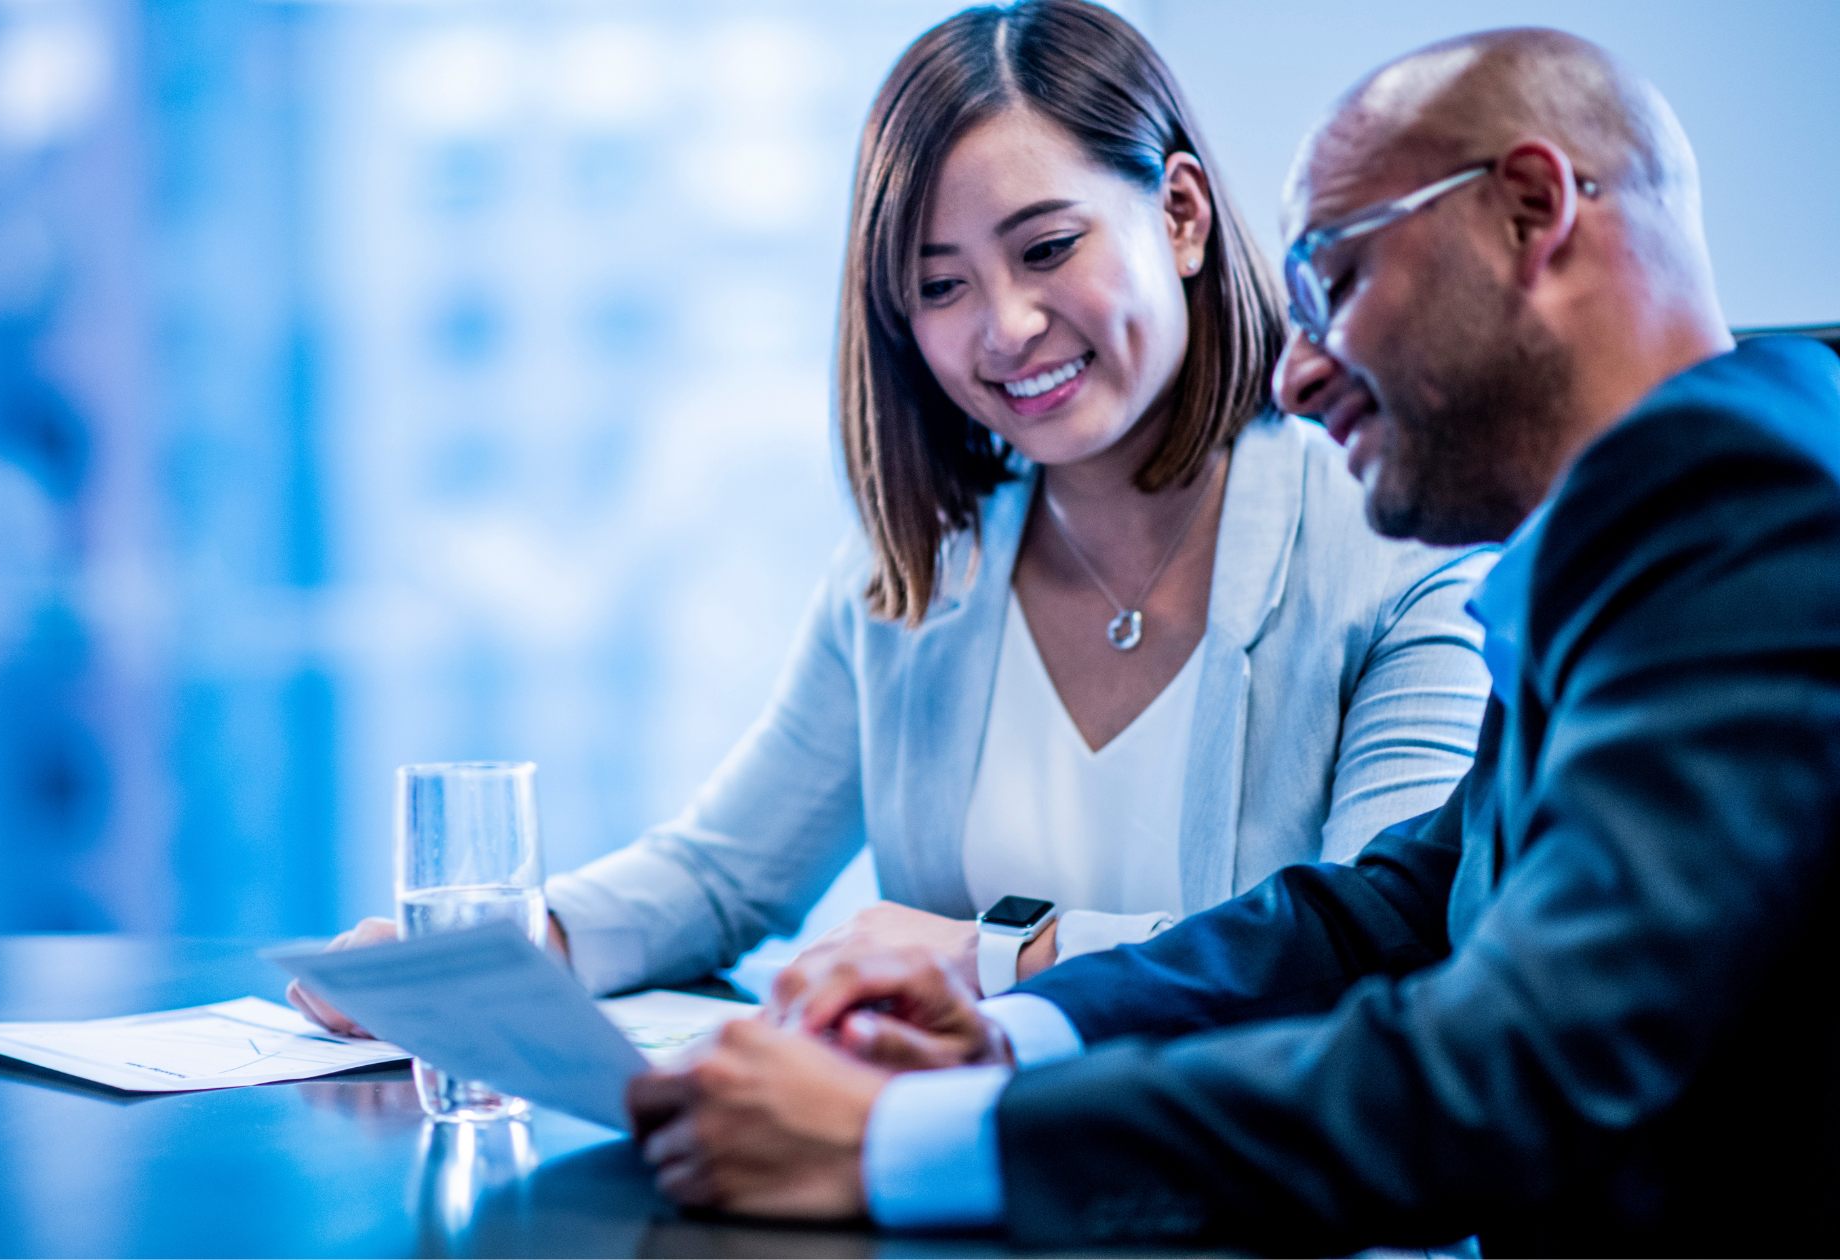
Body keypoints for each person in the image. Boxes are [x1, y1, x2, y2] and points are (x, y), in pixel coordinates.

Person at [625, 25, 1840, 1257]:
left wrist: (906, 1143)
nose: (1297, 372)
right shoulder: (1657, 515)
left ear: (1530, 210)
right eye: (938, 285)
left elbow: (1513, 1064)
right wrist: (1014, 1029)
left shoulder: (1729, 498)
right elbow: (1379, 916)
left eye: (1336, 282)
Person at [289, 0, 1494, 1035]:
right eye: (939, 285)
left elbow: (1382, 941)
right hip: (965, 1199)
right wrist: (502, 945)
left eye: (1046, 247)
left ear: (1178, 216)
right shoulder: (916, 575)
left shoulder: (1399, 548)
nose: (1004, 326)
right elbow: (721, 879)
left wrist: (986, 960)